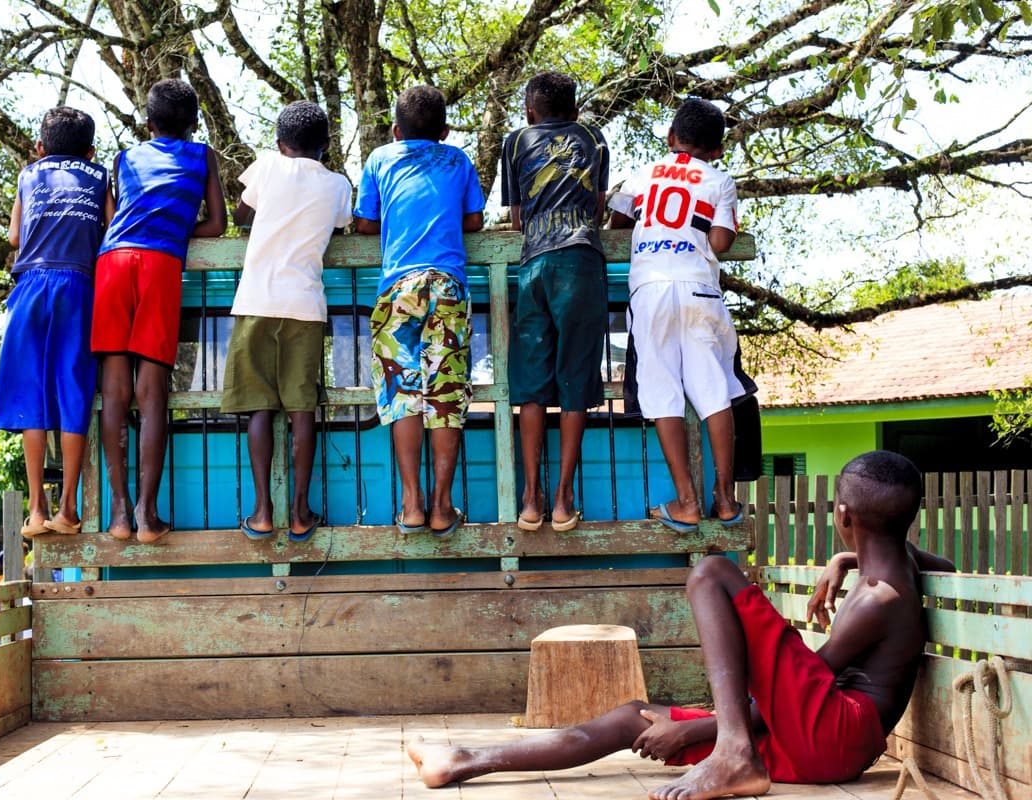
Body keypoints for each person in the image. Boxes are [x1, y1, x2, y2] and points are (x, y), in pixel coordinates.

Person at [407, 450, 956, 799]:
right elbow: (938, 566)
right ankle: (462, 762)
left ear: (842, 516)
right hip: (829, 742)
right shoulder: (900, 569)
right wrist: (845, 559)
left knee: (713, 572)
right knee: (633, 719)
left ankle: (733, 754)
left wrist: (700, 728)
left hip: (835, 733)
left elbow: (803, 693)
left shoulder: (875, 602)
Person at [92, 78, 228, 543]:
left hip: (112, 261)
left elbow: (116, 217)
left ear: (148, 123)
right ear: (194, 123)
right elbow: (217, 223)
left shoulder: (123, 158)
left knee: (114, 392)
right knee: (152, 394)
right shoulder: (202, 155)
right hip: (160, 264)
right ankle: (149, 516)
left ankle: (119, 514)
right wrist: (179, 233)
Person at [353, 85, 486, 537]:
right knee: (444, 392)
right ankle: (442, 508)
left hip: (398, 288)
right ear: (445, 131)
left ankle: (411, 505)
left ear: (395, 130)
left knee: (401, 391)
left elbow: (366, 223)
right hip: (447, 284)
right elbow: (474, 221)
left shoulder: (379, 159)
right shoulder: (458, 160)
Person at [608, 97, 742, 532]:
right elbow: (720, 242)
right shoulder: (721, 180)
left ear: (671, 138)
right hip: (699, 289)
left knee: (662, 392)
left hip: (650, 291)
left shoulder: (643, 174)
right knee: (714, 393)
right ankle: (725, 497)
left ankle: (686, 501)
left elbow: (617, 222)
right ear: (717, 149)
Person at [221, 101, 352, 542]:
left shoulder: (266, 166)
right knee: (301, 411)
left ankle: (261, 512)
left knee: (260, 406)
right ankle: (299, 511)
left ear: (280, 143)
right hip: (305, 305)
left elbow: (240, 216)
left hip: (256, 299)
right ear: (326, 147)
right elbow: (339, 226)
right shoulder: (338, 185)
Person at [500, 71, 609, 533]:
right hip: (581, 261)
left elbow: (517, 215)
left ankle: (530, 497)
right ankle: (563, 499)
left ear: (529, 111)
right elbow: (599, 207)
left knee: (530, 383)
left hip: (534, 266)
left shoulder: (516, 140)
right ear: (576, 108)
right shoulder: (592, 137)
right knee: (575, 379)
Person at [0, 107, 107, 538]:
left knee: (30, 398)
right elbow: (111, 226)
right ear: (91, 151)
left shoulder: (29, 175)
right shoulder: (98, 177)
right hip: (78, 287)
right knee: (73, 393)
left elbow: (15, 237)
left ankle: (36, 510)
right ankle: (69, 509)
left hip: (32, 287)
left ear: (40, 148)